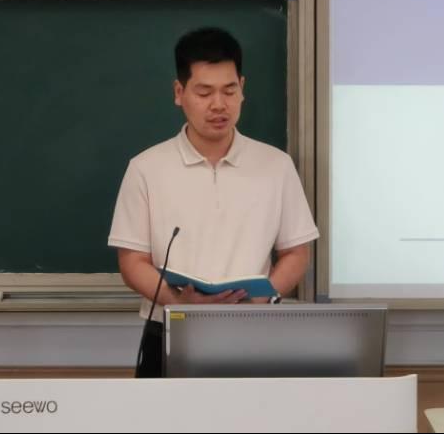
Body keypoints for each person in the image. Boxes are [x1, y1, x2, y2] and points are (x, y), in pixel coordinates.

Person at [107, 27, 319, 377]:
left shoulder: (275, 165)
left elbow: (297, 252)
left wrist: (260, 299)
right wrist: (181, 304)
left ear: (242, 89)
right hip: (171, 329)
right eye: (204, 92)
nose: (219, 104)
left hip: (254, 331)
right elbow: (132, 261)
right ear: (179, 93)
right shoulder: (146, 168)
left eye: (229, 91)